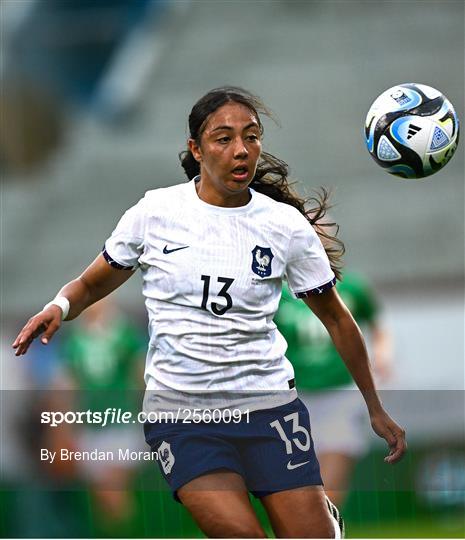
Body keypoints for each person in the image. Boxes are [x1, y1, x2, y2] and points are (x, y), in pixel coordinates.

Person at [13, 86, 406, 538]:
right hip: (183, 417)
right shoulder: (155, 213)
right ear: (196, 149)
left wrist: (374, 407)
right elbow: (90, 283)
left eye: (251, 137)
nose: (241, 150)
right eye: (224, 138)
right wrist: (60, 306)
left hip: (269, 409)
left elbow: (338, 319)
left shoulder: (285, 227)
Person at [275, 272, 393, 508]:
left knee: (331, 481)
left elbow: (378, 326)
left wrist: (383, 354)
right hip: (295, 395)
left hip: (341, 392)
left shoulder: (351, 288)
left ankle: (324, 527)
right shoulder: (277, 293)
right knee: (298, 481)